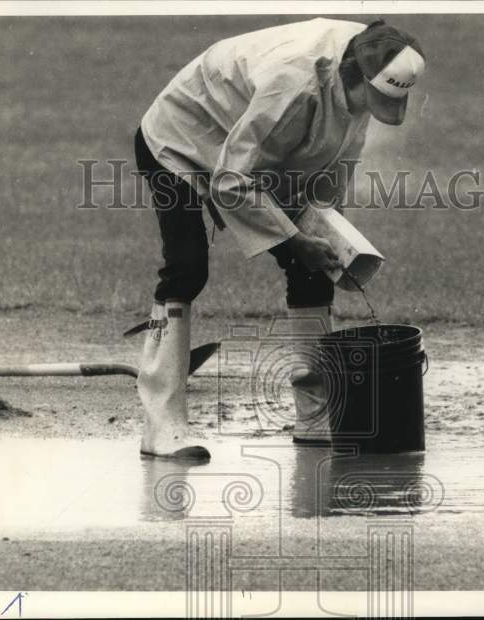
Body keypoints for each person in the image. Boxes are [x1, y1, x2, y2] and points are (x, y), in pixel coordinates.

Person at [133, 17, 426, 460]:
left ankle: (314, 415)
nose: (378, 107)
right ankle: (162, 425)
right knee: (187, 267)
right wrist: (292, 240)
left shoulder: (363, 75)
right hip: (183, 139)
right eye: (378, 97)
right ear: (357, 77)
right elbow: (231, 180)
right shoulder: (294, 84)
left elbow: (330, 178)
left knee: (313, 266)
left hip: (252, 146)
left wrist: (329, 241)